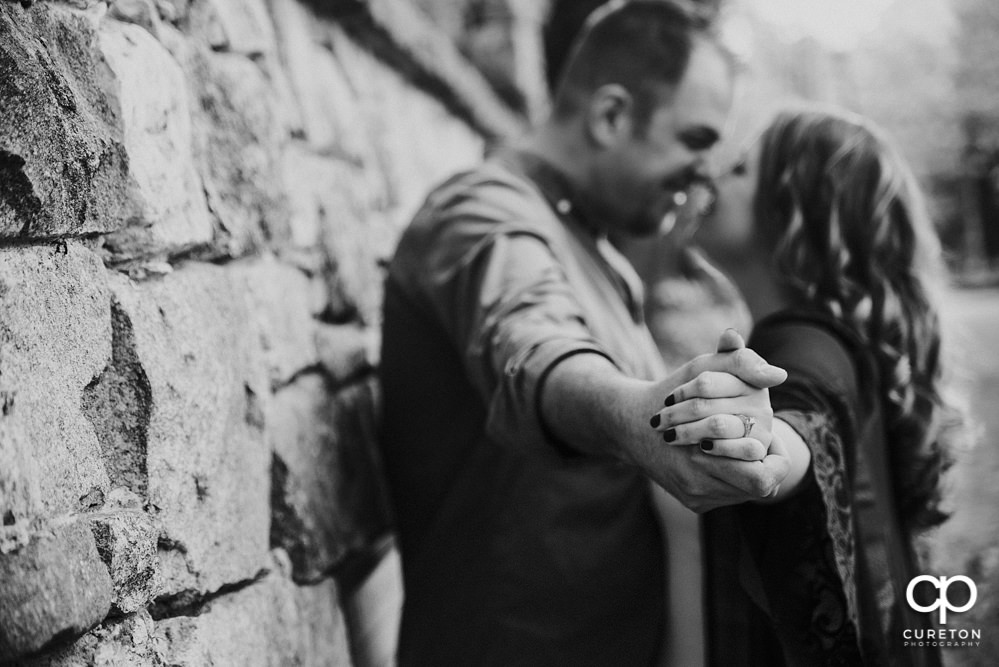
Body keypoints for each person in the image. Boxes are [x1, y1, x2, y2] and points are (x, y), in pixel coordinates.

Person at [378, 2, 793, 664]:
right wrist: (634, 415)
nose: (705, 173)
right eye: (693, 139)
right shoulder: (482, 215)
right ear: (609, 116)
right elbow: (533, 348)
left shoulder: (591, 246)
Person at [689, 106, 960, 666]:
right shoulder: (836, 339)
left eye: (740, 168)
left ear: (794, 208)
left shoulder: (802, 347)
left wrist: (765, 443)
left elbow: (801, 425)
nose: (711, 177)